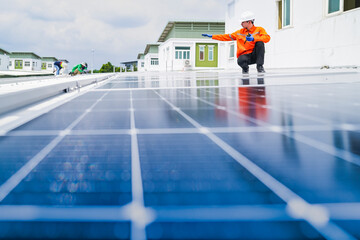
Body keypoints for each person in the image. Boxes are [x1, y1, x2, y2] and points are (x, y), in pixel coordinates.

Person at [202, 11, 270, 74]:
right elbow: (226, 37)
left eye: (243, 22)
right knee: (240, 60)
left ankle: (260, 67)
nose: (241, 24)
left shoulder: (259, 30)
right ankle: (245, 69)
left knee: (260, 43)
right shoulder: (239, 33)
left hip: (256, 55)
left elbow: (267, 38)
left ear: (249, 22)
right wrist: (212, 36)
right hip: (245, 56)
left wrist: (254, 38)